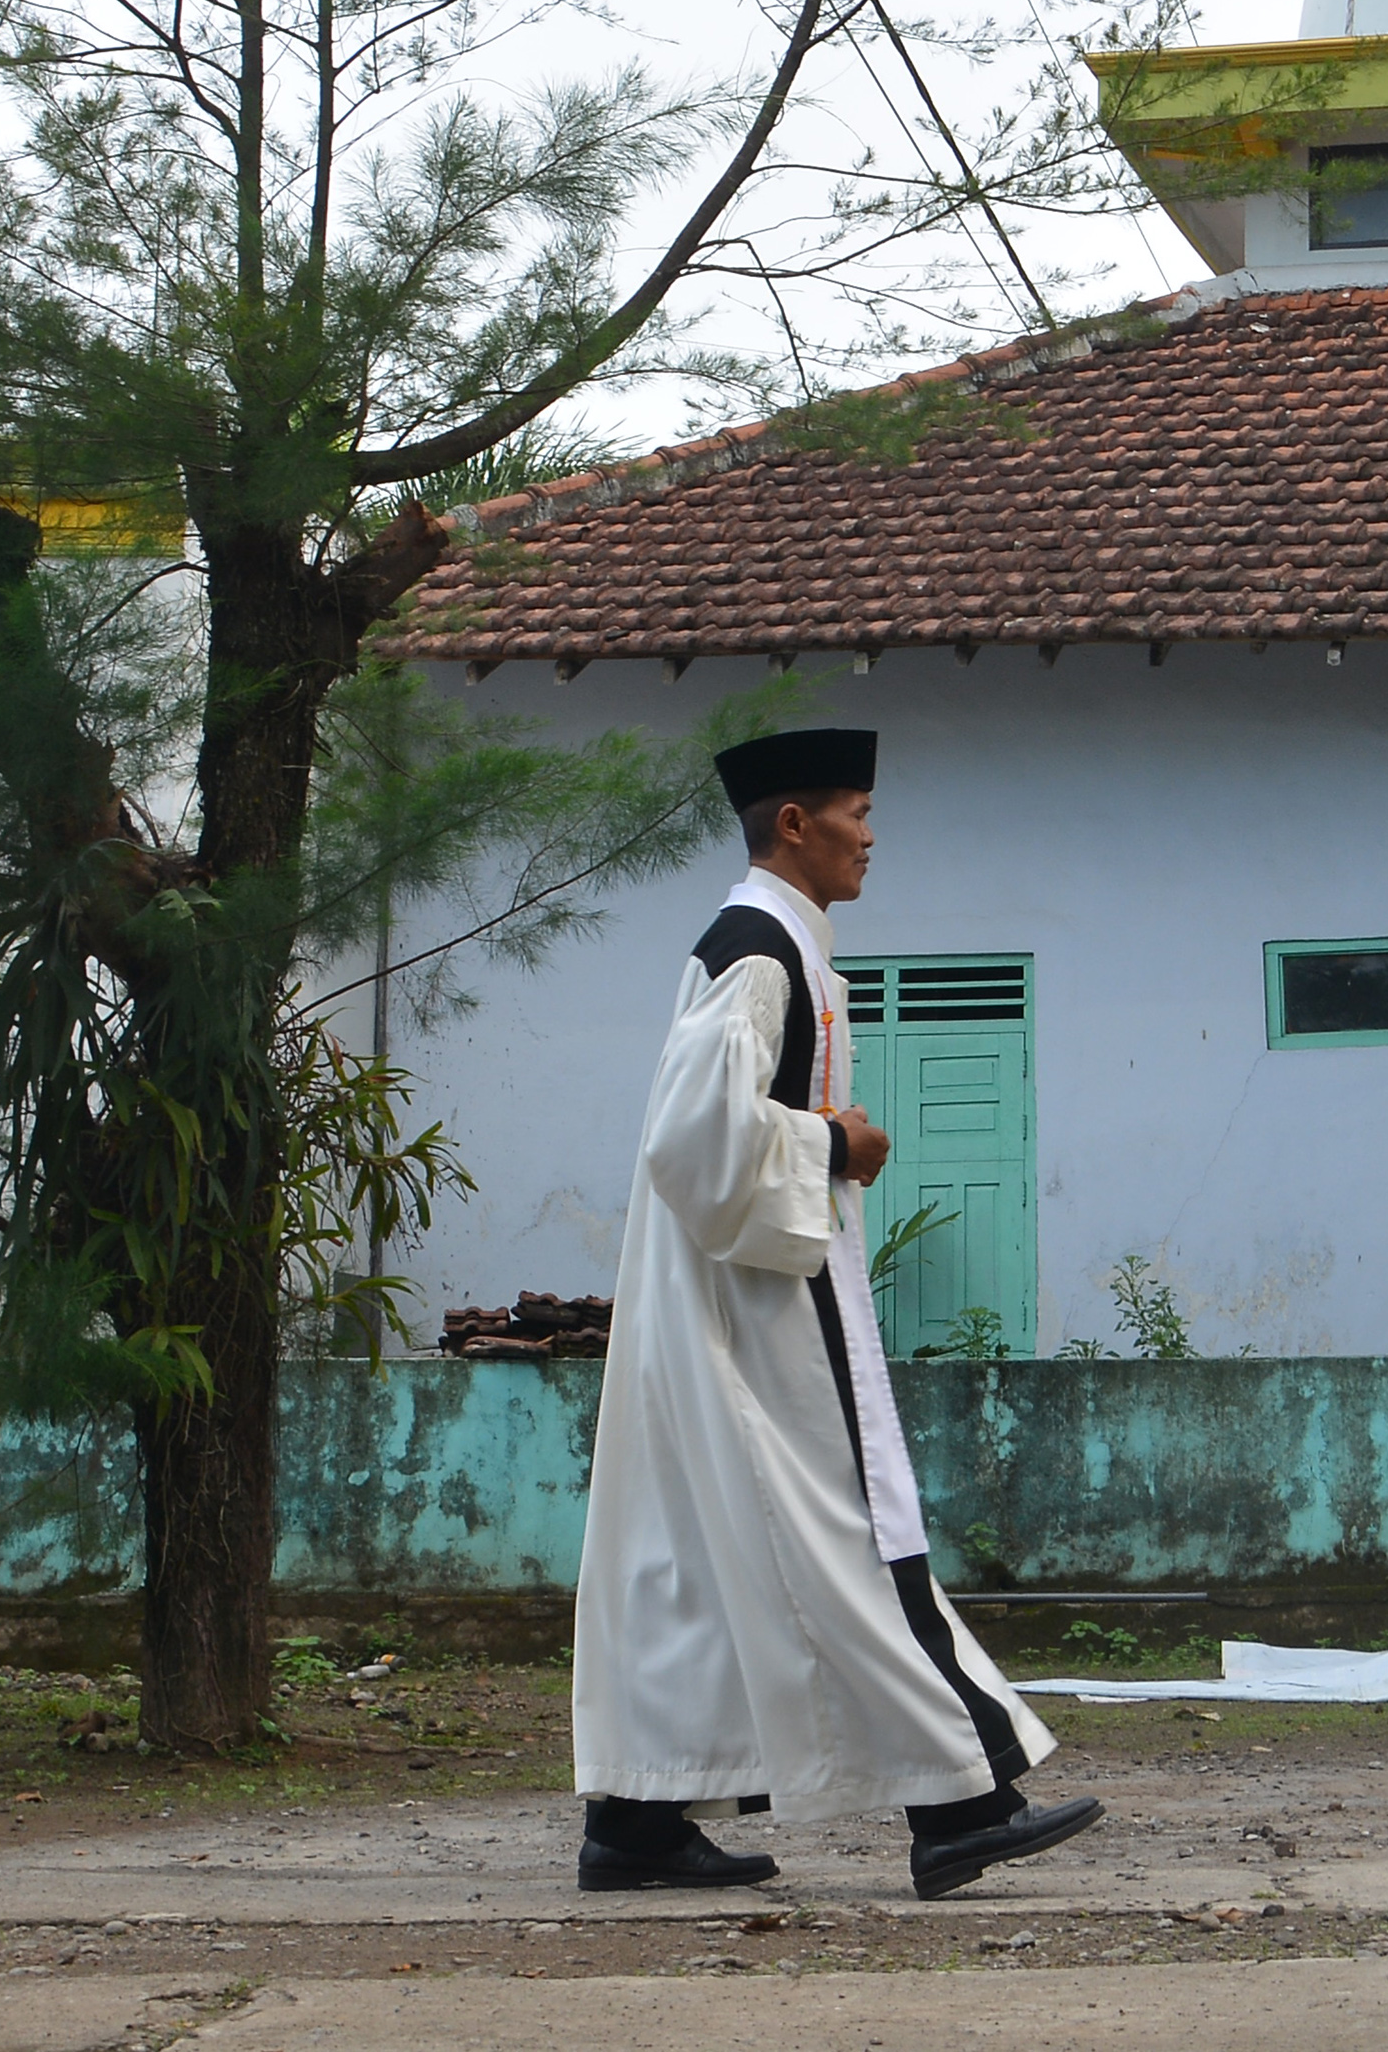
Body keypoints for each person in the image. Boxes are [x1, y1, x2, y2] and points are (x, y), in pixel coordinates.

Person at [568, 724, 1101, 1899]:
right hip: (760, 1307)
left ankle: (638, 1822)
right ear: (793, 825)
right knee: (856, 1533)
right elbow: (689, 1138)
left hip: (729, 1290)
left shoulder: (769, 943)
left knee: (689, 1558)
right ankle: (959, 1802)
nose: (872, 836)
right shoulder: (762, 950)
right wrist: (834, 1141)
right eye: (855, 813)